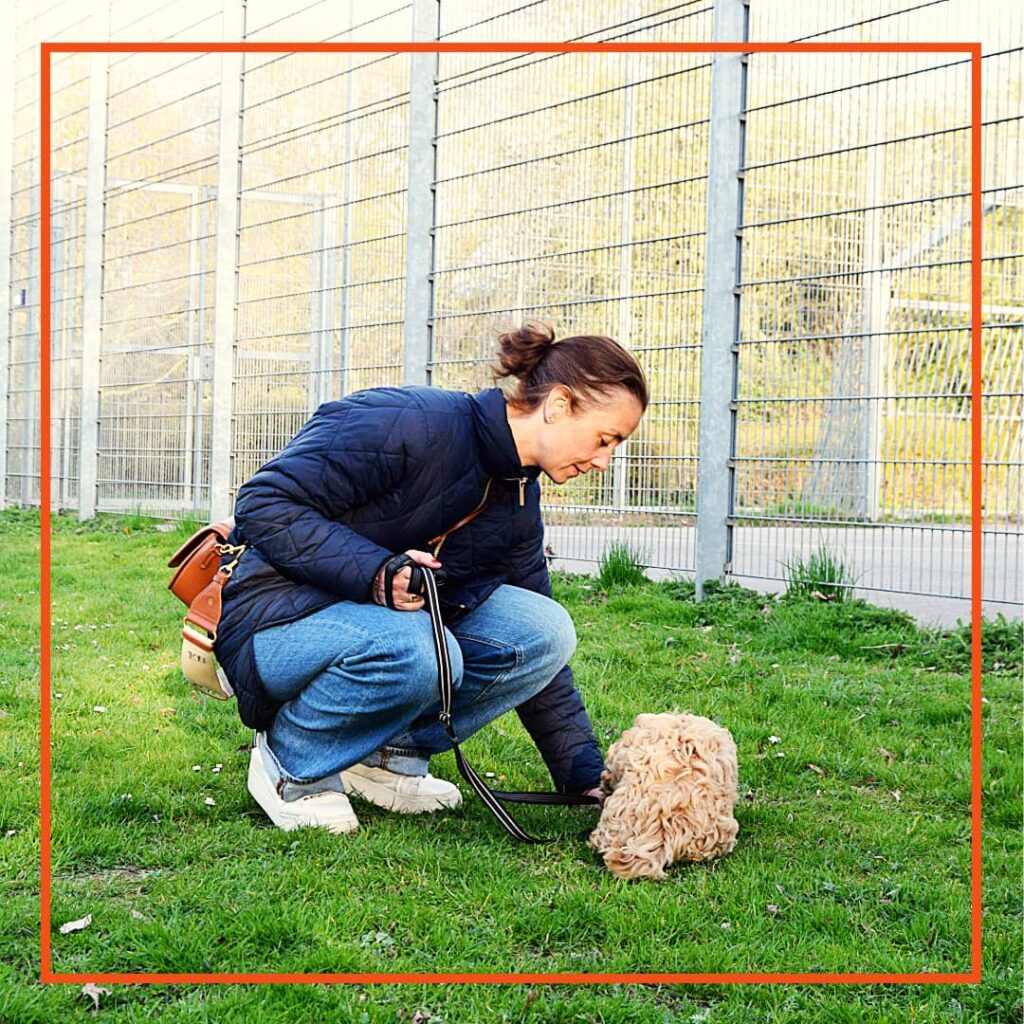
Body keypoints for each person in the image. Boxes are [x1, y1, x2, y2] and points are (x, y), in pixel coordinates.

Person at [213, 321, 648, 833]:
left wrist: (581, 776)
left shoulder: (518, 498)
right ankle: (292, 765)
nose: (604, 461)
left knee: (545, 630)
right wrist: (377, 572)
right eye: (605, 438)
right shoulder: (408, 420)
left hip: (378, 631)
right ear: (557, 405)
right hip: (273, 618)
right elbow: (264, 504)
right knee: (417, 644)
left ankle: (384, 758)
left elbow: (542, 661)